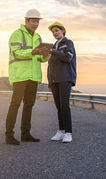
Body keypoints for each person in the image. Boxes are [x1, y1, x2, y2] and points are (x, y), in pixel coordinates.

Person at [5, 9, 49, 145]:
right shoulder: (17, 34)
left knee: (29, 105)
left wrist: (45, 57)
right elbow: (17, 53)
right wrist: (33, 51)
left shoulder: (38, 37)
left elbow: (38, 58)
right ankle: (9, 135)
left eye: (38, 21)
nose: (36, 24)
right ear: (26, 21)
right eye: (34, 21)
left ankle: (25, 133)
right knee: (15, 104)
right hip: (20, 75)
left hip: (33, 76)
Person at [47, 21, 76, 143]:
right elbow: (50, 65)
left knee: (64, 106)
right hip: (55, 80)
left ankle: (68, 133)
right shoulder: (54, 46)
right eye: (53, 32)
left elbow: (67, 57)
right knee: (59, 107)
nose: (55, 33)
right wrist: (49, 82)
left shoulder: (68, 43)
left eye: (57, 31)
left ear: (63, 30)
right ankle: (61, 131)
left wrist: (54, 52)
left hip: (65, 78)